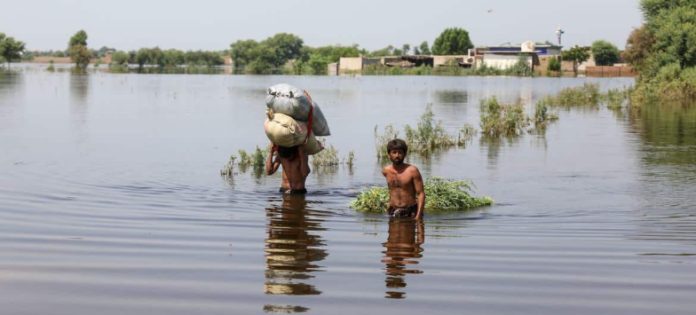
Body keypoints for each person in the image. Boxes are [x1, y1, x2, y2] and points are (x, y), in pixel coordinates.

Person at [382, 139, 425, 219]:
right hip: (393, 211)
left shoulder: (413, 171)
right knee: (392, 231)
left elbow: (421, 194)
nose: (397, 155)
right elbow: (391, 189)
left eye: (400, 152)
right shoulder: (386, 171)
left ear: (405, 154)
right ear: (389, 155)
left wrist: (418, 216)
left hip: (410, 211)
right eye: (394, 152)